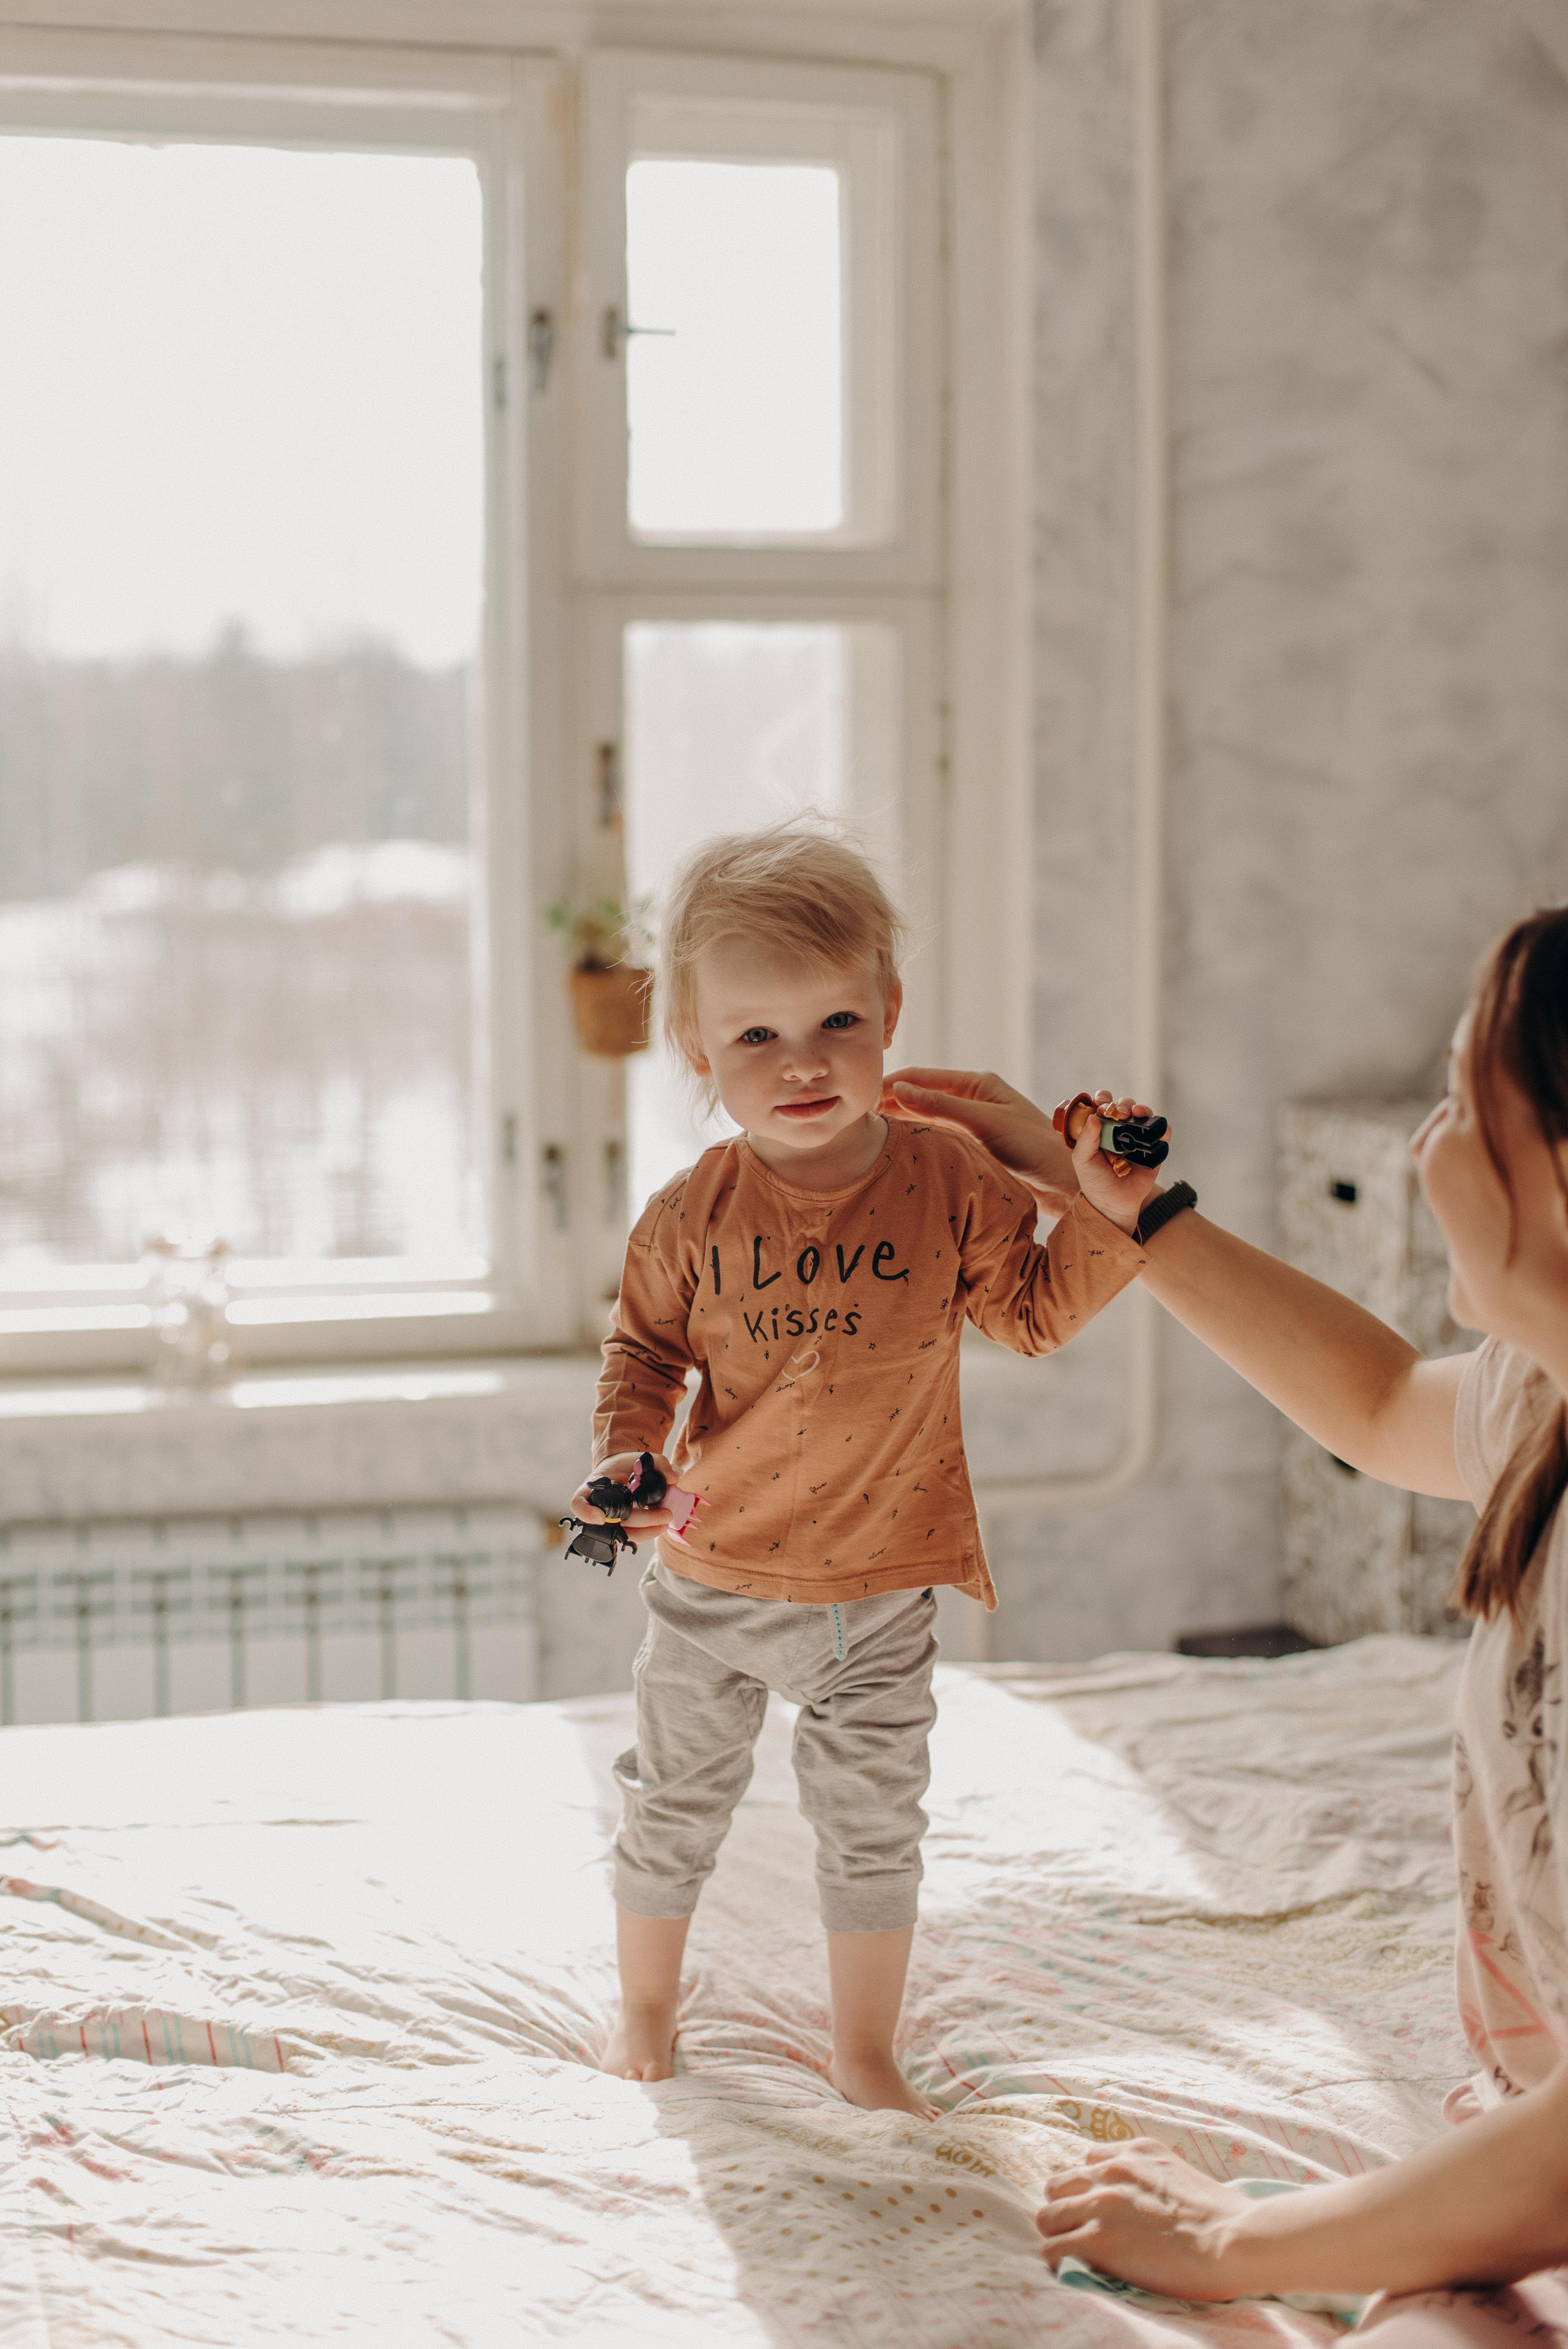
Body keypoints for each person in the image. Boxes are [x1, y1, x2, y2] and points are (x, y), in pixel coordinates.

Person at [881, 903, 1568, 2331]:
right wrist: (1122, 1215)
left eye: (1460, 1109)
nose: (1421, 1151)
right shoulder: (1539, 1389)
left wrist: (1238, 2241)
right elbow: (1379, 1405)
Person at [570, 822, 1155, 2114]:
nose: (803, 1064)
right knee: (671, 1803)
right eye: (755, 1038)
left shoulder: (946, 1176)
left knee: (873, 1829)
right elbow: (646, 1355)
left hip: (879, 1594)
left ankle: (865, 2052)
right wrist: (627, 1454)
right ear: (699, 1055)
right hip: (711, 1582)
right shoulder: (688, 1215)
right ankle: (646, 2012)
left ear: (889, 1010)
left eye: (836, 1018)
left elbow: (1031, 1315)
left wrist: (1105, 1222)